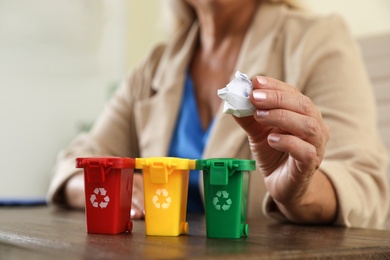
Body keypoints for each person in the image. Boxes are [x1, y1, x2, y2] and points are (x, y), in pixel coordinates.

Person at [47, 0, 390, 228]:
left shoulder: (317, 39)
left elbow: (367, 186)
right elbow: (75, 164)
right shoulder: (154, 66)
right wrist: (116, 188)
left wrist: (302, 191)